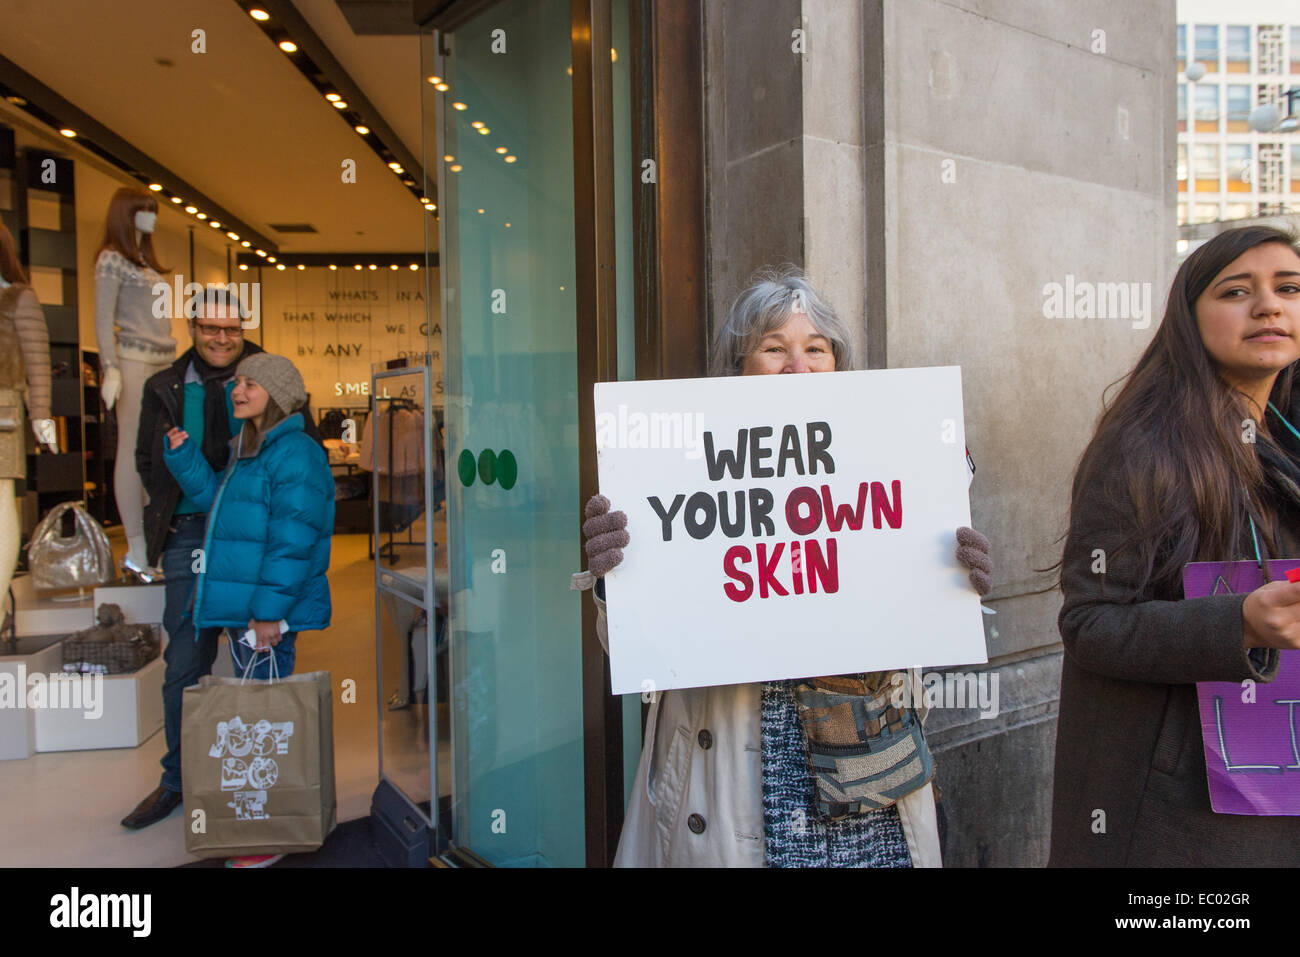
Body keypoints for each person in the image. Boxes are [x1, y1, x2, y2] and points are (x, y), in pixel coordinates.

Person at [573, 266, 993, 867]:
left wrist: (954, 579)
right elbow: (638, 657)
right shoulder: (677, 471)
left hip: (867, 808)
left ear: (838, 368)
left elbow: (914, 656)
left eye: (815, 350)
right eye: (774, 349)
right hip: (730, 806)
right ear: (735, 373)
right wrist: (620, 582)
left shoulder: (890, 460)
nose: (799, 368)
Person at [1051, 225, 1300, 866]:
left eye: (1289, 288)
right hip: (1179, 811)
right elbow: (1090, 623)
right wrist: (1239, 623)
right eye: (1236, 291)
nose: (1269, 306)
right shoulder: (1143, 448)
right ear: (1189, 319)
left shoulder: (1287, 439)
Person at [120, 288, 321, 830]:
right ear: (192, 327)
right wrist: (180, 469)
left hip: (250, 542)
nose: (221, 337)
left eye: (231, 328)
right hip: (192, 535)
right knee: (184, 663)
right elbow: (151, 460)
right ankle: (180, 781)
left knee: (257, 660)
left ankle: (263, 795)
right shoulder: (166, 385)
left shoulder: (267, 382)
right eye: (211, 327)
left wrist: (271, 605)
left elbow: (295, 515)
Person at [162, 352, 334, 867]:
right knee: (259, 722)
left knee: (265, 724)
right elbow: (224, 508)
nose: (237, 390)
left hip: (263, 614)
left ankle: (271, 828)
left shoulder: (295, 454)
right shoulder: (253, 449)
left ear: (276, 394)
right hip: (251, 610)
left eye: (250, 383)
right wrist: (186, 460)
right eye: (237, 382)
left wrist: (267, 616)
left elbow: (292, 542)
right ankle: (260, 820)